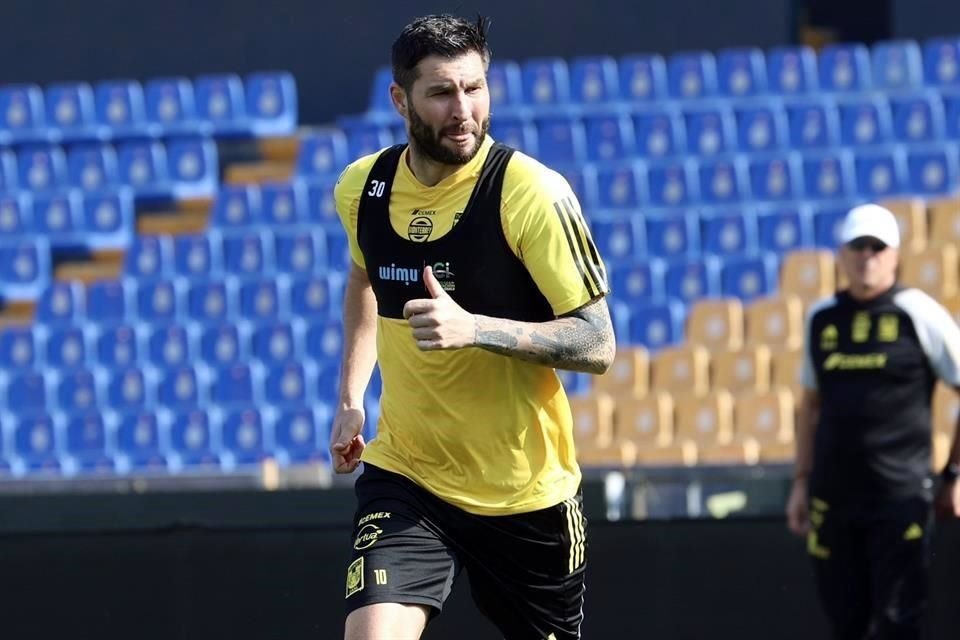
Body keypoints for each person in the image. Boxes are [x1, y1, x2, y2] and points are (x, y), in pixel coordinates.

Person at [328, 14, 615, 640]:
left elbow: (597, 342)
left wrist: (476, 328)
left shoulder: (530, 193)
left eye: (474, 88)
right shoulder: (362, 188)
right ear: (400, 100)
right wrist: (352, 397)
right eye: (441, 92)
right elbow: (362, 280)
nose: (463, 110)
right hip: (408, 475)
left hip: (524, 494)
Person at [786, 203, 960, 639]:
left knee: (899, 621)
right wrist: (801, 482)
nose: (867, 256)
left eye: (877, 247)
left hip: (900, 497)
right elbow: (808, 405)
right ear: (842, 255)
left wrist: (955, 474)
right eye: (858, 246)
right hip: (833, 499)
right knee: (845, 624)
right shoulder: (820, 317)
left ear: (895, 255)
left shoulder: (918, 313)